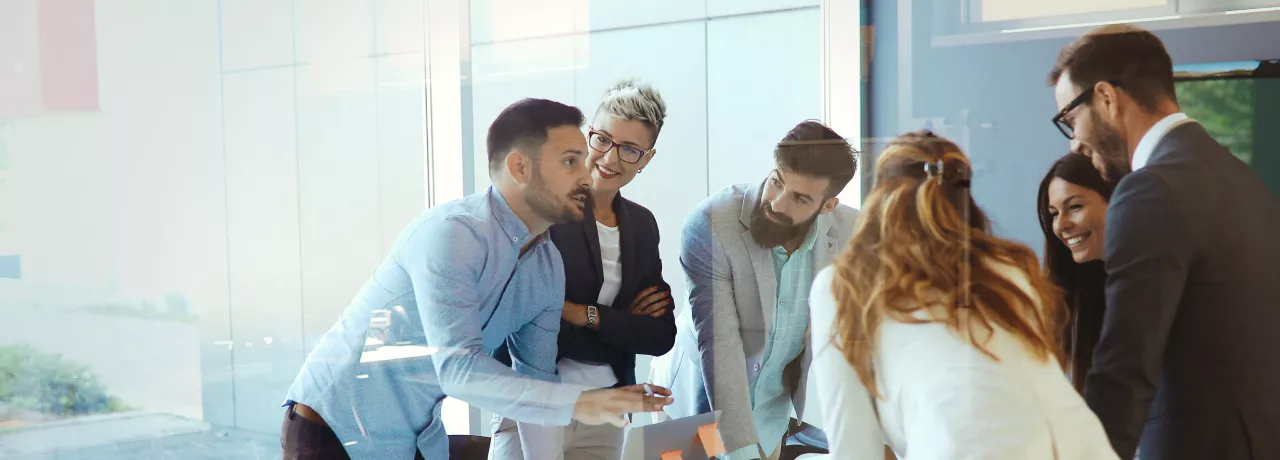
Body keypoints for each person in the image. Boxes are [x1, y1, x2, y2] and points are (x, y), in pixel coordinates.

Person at [280, 98, 672, 460]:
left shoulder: (547, 267)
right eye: (571, 161)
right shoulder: (453, 233)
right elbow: (458, 370)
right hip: (332, 430)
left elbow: (535, 380)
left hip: (415, 439)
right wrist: (583, 402)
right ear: (520, 167)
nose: (586, 177)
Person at [808, 130, 1118, 460]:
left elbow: (852, 446)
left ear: (879, 199)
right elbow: (1057, 405)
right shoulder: (1007, 271)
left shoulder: (843, 285)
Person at [1049, 24, 1280, 459]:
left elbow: (1125, 364)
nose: (1075, 142)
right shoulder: (1244, 181)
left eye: (1070, 120)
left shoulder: (1151, 190)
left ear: (1106, 98)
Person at [489, 80, 675, 460]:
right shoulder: (547, 210)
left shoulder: (641, 225)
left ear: (647, 158)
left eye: (629, 149)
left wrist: (577, 312)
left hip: (606, 412)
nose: (609, 158)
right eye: (602, 139)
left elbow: (659, 336)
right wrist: (618, 323)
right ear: (587, 133)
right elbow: (521, 318)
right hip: (534, 400)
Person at [655, 120, 859, 460]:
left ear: (827, 206)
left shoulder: (853, 234)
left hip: (772, 410)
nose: (778, 203)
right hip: (696, 402)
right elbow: (720, 344)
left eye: (800, 197)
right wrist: (743, 453)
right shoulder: (711, 223)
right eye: (777, 180)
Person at [1036, 152, 1116, 393]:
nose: (1061, 225)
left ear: (1119, 201)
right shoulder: (1087, 297)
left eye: (1075, 207)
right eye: (1054, 214)